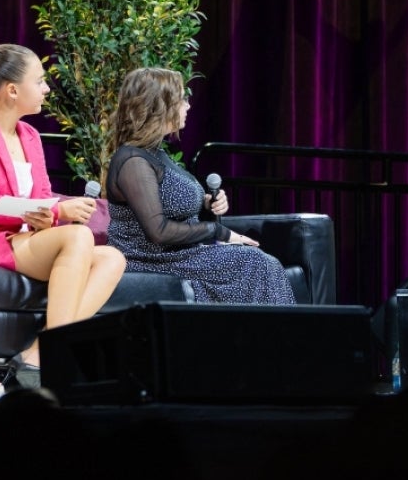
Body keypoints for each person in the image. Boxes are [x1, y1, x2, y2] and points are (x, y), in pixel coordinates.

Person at [0, 41, 126, 381]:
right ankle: (57, 358)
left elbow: (40, 195)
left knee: (112, 258)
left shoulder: (29, 134)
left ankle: (39, 351)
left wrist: (47, 213)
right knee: (77, 236)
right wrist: (56, 212)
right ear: (12, 90)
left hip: (24, 238)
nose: (45, 89)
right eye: (40, 81)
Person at [103, 67, 296, 304]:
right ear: (160, 106)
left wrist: (207, 203)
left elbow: (168, 204)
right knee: (258, 264)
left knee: (260, 263)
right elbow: (158, 232)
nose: (188, 106)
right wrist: (218, 231)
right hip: (150, 259)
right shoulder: (133, 160)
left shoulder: (156, 153)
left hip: (180, 255)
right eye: (182, 99)